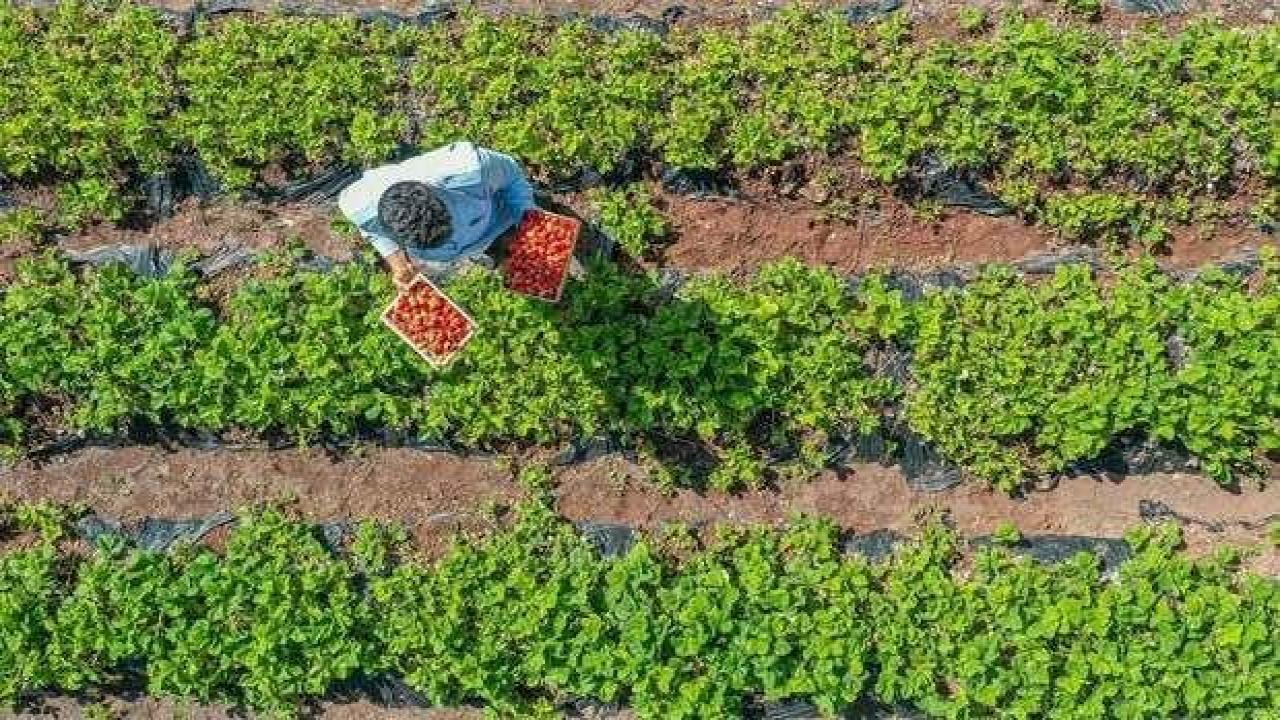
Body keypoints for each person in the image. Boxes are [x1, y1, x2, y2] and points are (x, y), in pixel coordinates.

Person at [338, 141, 540, 287]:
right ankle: (494, 252)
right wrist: (398, 264)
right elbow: (374, 232)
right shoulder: (360, 207)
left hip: (498, 218)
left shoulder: (470, 171)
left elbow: (513, 177)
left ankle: (504, 242)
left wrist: (527, 218)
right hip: (473, 240)